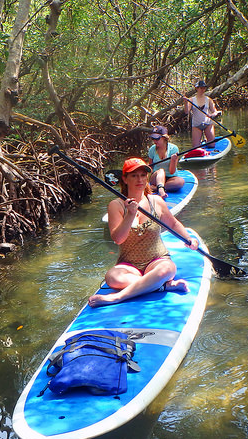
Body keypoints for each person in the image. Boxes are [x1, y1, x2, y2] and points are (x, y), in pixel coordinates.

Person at [88, 158, 199, 308]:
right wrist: (130, 214)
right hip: (129, 265)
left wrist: (188, 238)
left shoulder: (156, 201)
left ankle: (118, 297)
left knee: (167, 269)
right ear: (125, 179)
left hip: (157, 260)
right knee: (112, 278)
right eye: (134, 176)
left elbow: (172, 223)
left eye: (142, 175)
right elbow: (118, 239)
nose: (139, 179)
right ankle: (162, 286)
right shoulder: (116, 205)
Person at [147, 125, 185, 199]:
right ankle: (160, 189)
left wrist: (173, 160)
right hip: (156, 177)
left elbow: (172, 172)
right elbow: (151, 168)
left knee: (180, 182)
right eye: (153, 138)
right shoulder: (152, 149)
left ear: (164, 138)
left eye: (157, 139)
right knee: (161, 171)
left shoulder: (173, 149)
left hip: (170, 178)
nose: (154, 141)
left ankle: (155, 188)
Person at [183, 79, 221, 148]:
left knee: (211, 145)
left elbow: (214, 111)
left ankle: (207, 140)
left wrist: (213, 115)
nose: (202, 90)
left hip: (208, 124)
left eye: (204, 88)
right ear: (197, 88)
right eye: (201, 88)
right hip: (196, 125)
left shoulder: (208, 100)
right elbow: (186, 112)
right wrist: (185, 103)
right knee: (196, 147)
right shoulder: (191, 100)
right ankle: (201, 141)